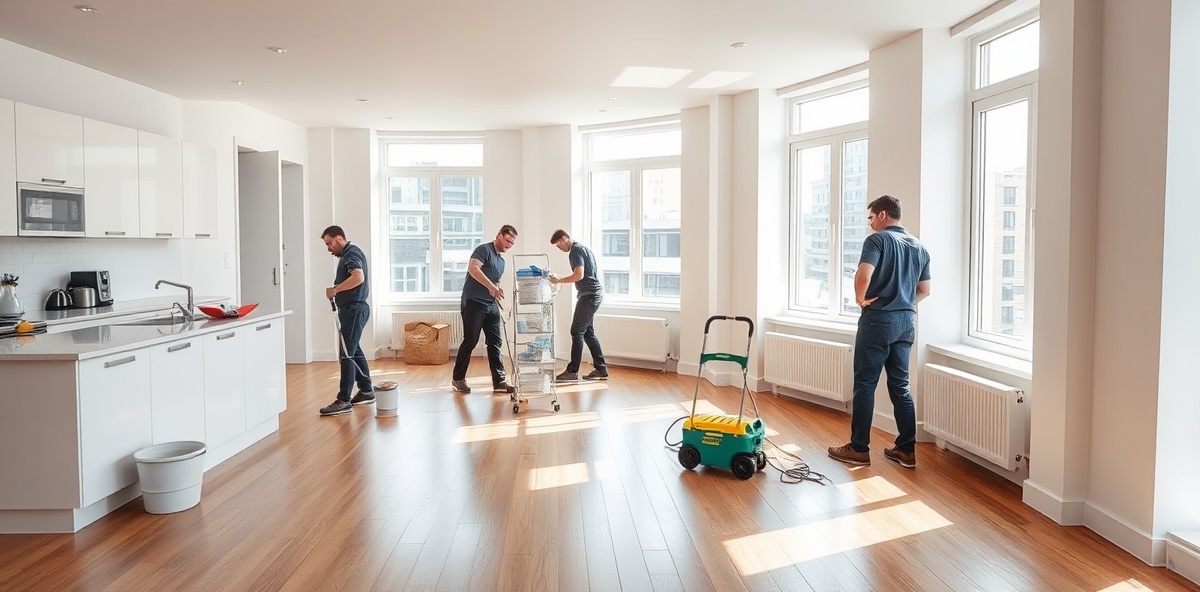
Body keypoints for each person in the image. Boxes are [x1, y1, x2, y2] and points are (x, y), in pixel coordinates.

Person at [828, 195, 931, 469]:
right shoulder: (919, 247)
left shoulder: (877, 240)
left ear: (883, 215)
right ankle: (906, 450)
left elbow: (863, 275)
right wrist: (903, 304)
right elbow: (925, 290)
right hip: (906, 322)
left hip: (878, 321)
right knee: (901, 386)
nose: (870, 223)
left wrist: (861, 299)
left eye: (871, 218)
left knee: (865, 384)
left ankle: (858, 448)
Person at [452, 225, 519, 394]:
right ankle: (458, 379)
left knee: (495, 342)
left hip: (491, 304)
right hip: (474, 302)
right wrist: (491, 287)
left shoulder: (501, 261)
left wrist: (496, 288)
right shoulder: (484, 250)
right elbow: (473, 269)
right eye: (507, 240)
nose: (509, 245)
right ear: (499, 235)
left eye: (512, 243)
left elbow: (493, 280)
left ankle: (500, 382)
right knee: (471, 340)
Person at [319, 225, 375, 416]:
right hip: (352, 309)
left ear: (339, 238)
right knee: (353, 350)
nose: (328, 248)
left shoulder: (351, 253)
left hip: (354, 309)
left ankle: (344, 400)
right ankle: (366, 390)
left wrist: (335, 290)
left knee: (347, 355)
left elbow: (358, 277)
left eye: (329, 243)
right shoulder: (348, 254)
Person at [548, 229, 608, 382]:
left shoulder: (575, 251)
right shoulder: (583, 248)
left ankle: (572, 371)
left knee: (576, 331)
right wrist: (560, 278)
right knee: (587, 332)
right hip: (593, 294)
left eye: (558, 246)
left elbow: (578, 275)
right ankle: (601, 369)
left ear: (563, 239)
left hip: (589, 296)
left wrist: (558, 280)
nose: (559, 249)